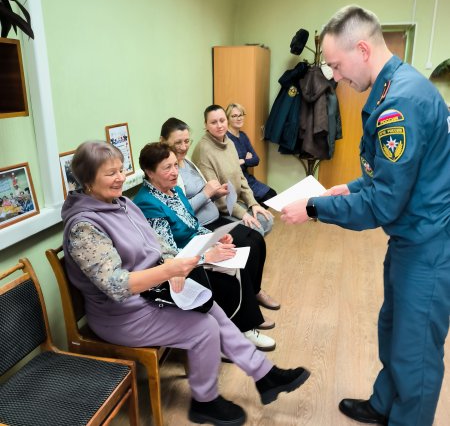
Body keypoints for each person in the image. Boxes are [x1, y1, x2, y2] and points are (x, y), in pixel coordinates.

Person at [281, 5, 450, 426]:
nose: (335, 77)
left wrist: (316, 207)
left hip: (429, 243)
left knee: (416, 355)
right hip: (413, 234)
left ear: (362, 48)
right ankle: (384, 405)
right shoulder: (396, 86)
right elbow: (391, 175)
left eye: (337, 66)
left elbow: (383, 203)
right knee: (392, 329)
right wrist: (349, 187)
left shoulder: (401, 104)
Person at [62, 140, 310, 425]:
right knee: (203, 329)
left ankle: (265, 376)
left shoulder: (123, 204)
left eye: (120, 170)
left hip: (152, 294)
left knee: (209, 304)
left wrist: (203, 254)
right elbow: (116, 285)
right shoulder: (84, 227)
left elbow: (159, 248)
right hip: (121, 315)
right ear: (88, 180)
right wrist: (170, 270)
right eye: (110, 173)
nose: (120, 178)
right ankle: (205, 402)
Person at [134, 142, 276, 350]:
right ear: (149, 172)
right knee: (227, 274)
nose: (175, 172)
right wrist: (207, 256)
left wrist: (215, 238)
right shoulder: (148, 204)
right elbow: (169, 254)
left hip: (196, 250)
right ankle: (233, 336)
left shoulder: (174, 191)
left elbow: (194, 225)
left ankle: (244, 326)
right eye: (167, 168)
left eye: (175, 165)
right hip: (179, 266)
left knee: (234, 255)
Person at [159, 117, 281, 312]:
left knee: (257, 239)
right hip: (202, 226)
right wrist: (207, 193)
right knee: (246, 244)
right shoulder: (171, 171)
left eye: (186, 141)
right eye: (177, 142)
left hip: (215, 216)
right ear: (163, 141)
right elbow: (180, 210)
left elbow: (238, 178)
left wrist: (215, 193)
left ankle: (255, 291)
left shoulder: (188, 162)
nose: (183, 147)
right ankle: (246, 304)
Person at [192, 104, 274, 237]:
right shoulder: (204, 150)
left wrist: (253, 203)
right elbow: (217, 195)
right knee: (255, 229)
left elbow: (241, 177)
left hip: (236, 202)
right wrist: (243, 214)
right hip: (221, 208)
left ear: (226, 121)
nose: (219, 125)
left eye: (222, 120)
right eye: (213, 122)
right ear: (206, 124)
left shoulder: (229, 142)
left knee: (267, 221)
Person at [225, 103, 277, 208]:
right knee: (267, 198)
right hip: (236, 181)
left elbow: (256, 160)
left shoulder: (243, 136)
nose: (238, 118)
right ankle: (251, 213)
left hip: (248, 178)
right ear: (227, 119)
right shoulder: (225, 138)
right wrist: (246, 159)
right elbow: (231, 165)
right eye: (234, 116)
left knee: (272, 195)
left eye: (240, 115)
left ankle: (252, 213)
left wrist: (243, 161)